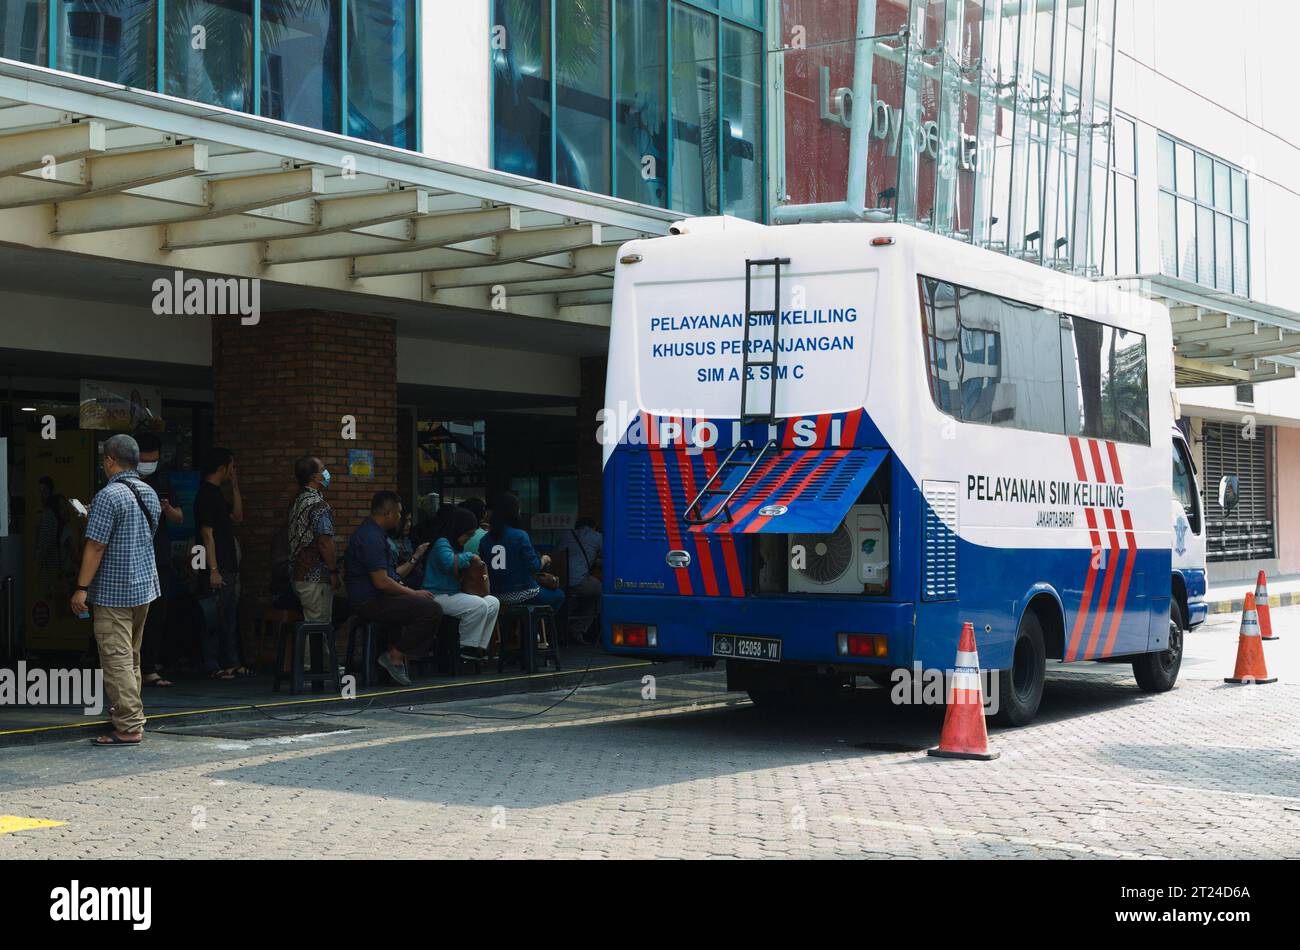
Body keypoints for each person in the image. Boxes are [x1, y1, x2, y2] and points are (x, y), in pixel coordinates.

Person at [69, 434, 161, 747]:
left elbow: (96, 546)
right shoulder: (148, 493)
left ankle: (130, 725)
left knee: (116, 659)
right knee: (130, 657)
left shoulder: (109, 496)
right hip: (143, 588)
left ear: (110, 460)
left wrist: (81, 588)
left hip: (113, 591)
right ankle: (127, 713)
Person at [344, 491, 442, 686]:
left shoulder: (375, 534)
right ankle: (394, 655)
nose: (400, 517)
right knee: (431, 610)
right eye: (398, 513)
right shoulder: (371, 537)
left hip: (379, 596)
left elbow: (391, 576)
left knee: (423, 606)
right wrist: (414, 594)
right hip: (370, 600)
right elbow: (382, 582)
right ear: (387, 513)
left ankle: (394, 653)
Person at [194, 447, 249, 679]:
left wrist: (235, 486)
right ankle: (214, 665)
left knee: (227, 616)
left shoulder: (217, 493)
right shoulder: (206, 495)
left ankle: (230, 662)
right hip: (216, 567)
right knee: (213, 618)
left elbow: (237, 516)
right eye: (232, 467)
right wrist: (213, 570)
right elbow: (207, 535)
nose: (233, 471)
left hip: (226, 565)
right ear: (221, 468)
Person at [422, 506, 500, 660]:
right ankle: (466, 646)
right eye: (468, 535)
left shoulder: (455, 545)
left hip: (453, 593)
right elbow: (449, 563)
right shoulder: (441, 543)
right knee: (479, 605)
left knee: (493, 602)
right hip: (437, 594)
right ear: (458, 529)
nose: (468, 538)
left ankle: (479, 646)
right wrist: (470, 556)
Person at [136, 432, 183, 687]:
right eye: (145, 459)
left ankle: (149, 667)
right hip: (132, 556)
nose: (149, 464)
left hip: (158, 556)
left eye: (153, 459)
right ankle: (130, 668)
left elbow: (179, 517)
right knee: (131, 615)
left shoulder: (163, 481)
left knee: (156, 614)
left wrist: (167, 508)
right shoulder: (124, 480)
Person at [479, 494, 564, 613]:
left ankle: (521, 628)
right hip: (523, 593)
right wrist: (544, 559)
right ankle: (537, 628)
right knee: (559, 595)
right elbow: (534, 566)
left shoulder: (485, 539)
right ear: (513, 512)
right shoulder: (520, 535)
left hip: (495, 595)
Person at [288, 456, 338, 626]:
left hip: (298, 574)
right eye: (323, 469)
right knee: (317, 629)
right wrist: (333, 571)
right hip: (315, 577)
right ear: (314, 477)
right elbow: (324, 542)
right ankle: (313, 654)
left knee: (312, 626)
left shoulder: (298, 501)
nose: (326, 472)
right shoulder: (318, 504)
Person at [558, 516, 603, 644]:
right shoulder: (597, 536)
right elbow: (609, 557)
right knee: (602, 592)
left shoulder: (566, 534)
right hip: (579, 581)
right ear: (593, 527)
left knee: (579, 595)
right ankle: (579, 628)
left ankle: (564, 629)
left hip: (562, 581)